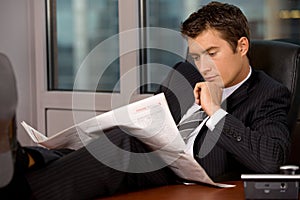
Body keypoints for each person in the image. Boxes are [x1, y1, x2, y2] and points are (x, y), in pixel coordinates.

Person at [0, 1, 291, 199]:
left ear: (241, 46)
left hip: (189, 172)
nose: (203, 67)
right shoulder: (184, 73)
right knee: (109, 138)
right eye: (197, 56)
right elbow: (151, 119)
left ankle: (20, 190)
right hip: (153, 157)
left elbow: (270, 162)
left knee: (124, 143)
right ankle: (26, 158)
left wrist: (214, 111)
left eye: (212, 54)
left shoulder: (269, 93)